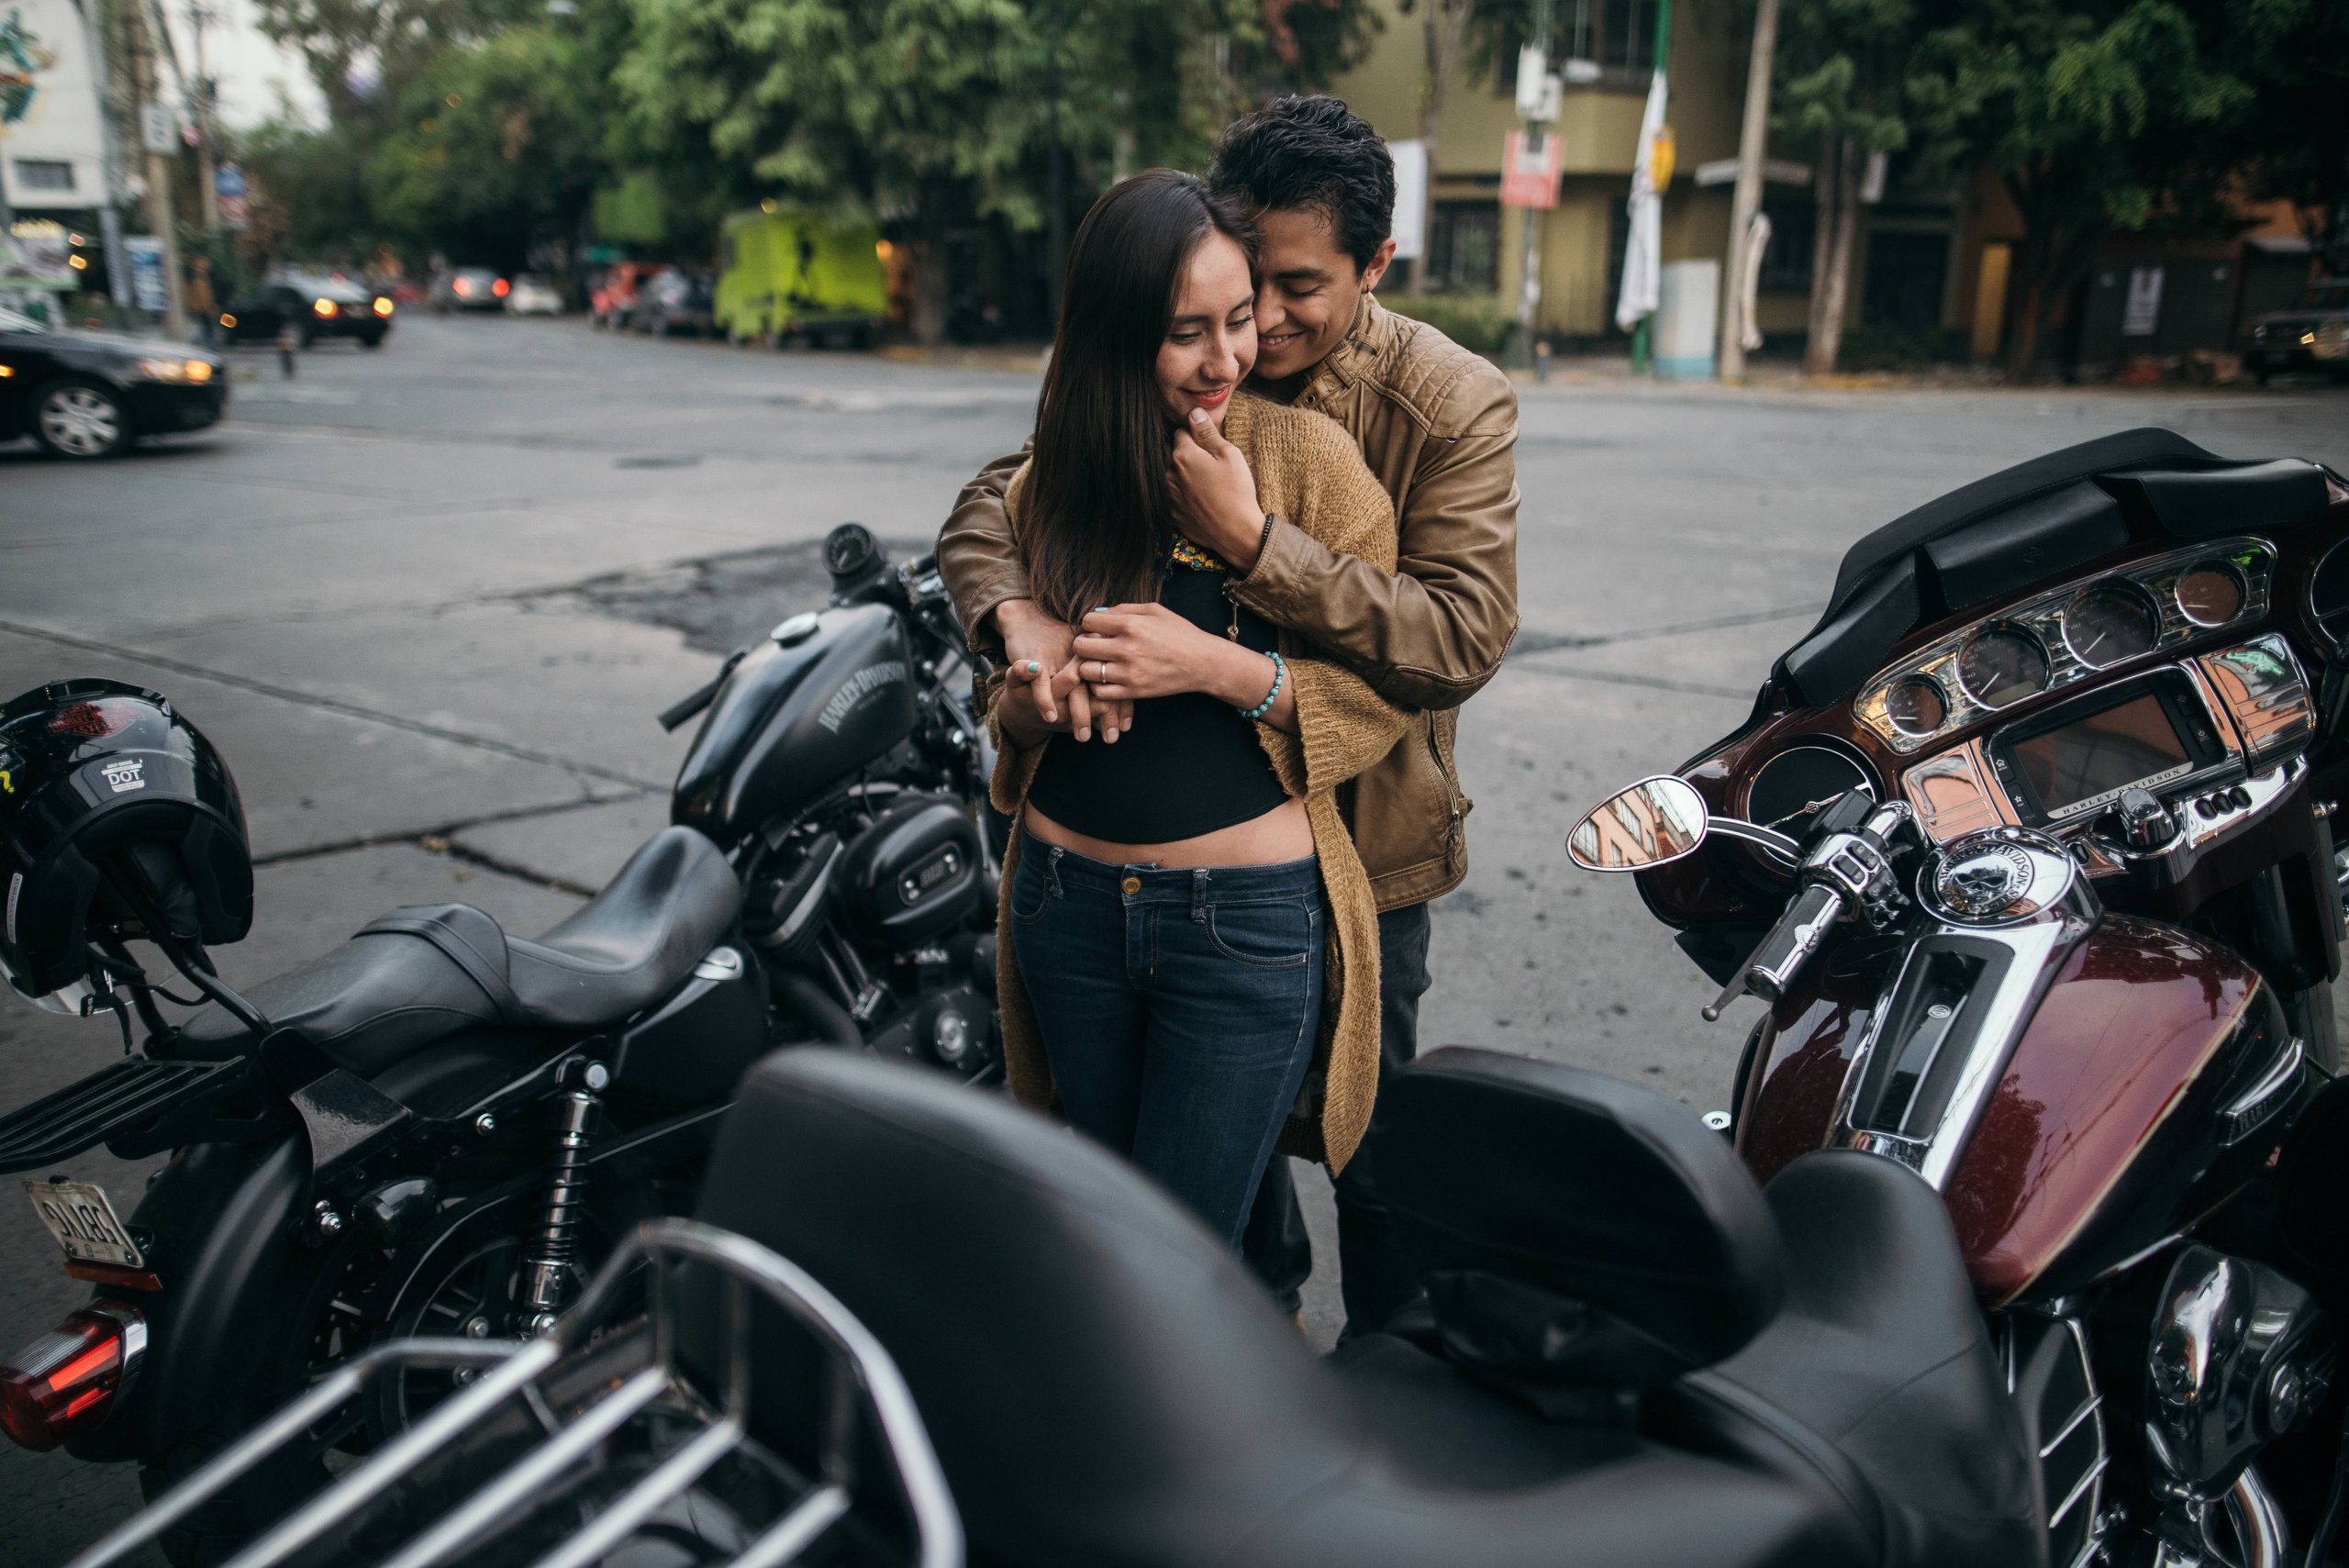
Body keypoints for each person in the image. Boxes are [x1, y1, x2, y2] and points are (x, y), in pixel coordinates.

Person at [939, 96, 1520, 1337]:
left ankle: (1379, 1393)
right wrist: (1019, 634)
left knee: (1371, 1151)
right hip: (1100, 884)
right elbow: (1000, 500)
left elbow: (1457, 639)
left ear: (1375, 267)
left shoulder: (1441, 407)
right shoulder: (1155, 380)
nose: (1255, 328)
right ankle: (1242, 1355)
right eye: (1228, 291)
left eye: (1291, 290)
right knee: (1190, 1202)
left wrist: (1252, 546)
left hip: (1360, 837)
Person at [984, 168, 1411, 1250]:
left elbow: (1388, 697)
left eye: (1237, 321)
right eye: (1188, 333)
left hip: (1240, 927)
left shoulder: (1306, 463)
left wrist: (1216, 665)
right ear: (1115, 339)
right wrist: (1034, 696)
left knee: (1177, 1257)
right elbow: (1011, 723)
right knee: (1097, 1232)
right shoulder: (1050, 486)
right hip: (1062, 910)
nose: (1228, 358)